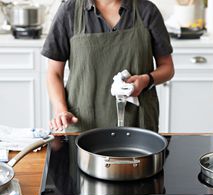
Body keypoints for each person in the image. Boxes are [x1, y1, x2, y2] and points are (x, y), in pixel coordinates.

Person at [42, 0, 174, 132]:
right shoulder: (69, 11)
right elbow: (54, 73)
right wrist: (61, 110)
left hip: (138, 122)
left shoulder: (147, 11)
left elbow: (167, 67)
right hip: (85, 122)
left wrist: (146, 80)